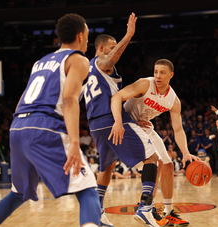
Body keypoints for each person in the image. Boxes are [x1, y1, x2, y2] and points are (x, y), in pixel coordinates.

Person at [0, 13, 100, 227]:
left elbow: (20, 103)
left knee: (18, 193)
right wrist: (74, 142)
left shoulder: (40, 62)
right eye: (88, 35)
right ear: (81, 35)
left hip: (18, 126)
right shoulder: (78, 60)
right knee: (88, 189)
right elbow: (69, 99)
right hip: (45, 126)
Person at [83, 13, 160, 227]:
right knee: (152, 158)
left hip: (95, 125)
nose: (116, 49)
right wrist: (129, 35)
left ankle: (97, 212)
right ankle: (145, 208)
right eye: (112, 45)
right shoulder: (100, 62)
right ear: (100, 48)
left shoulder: (87, 68)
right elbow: (111, 59)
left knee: (106, 167)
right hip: (111, 119)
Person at [110, 59, 200, 226]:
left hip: (144, 127)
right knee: (156, 161)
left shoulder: (173, 100)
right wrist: (121, 121)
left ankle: (168, 211)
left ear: (171, 75)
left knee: (168, 165)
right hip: (127, 125)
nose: (158, 75)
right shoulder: (145, 84)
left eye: (162, 72)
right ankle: (147, 206)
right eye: (156, 71)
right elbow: (119, 97)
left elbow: (178, 129)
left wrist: (186, 152)